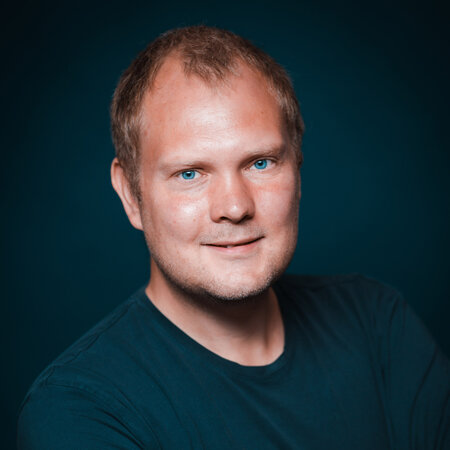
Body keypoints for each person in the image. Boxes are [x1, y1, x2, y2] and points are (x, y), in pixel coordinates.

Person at [17, 25, 449, 449]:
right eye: (190, 173)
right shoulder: (81, 409)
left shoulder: (376, 324)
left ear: (298, 169)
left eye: (260, 163)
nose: (236, 207)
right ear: (131, 194)